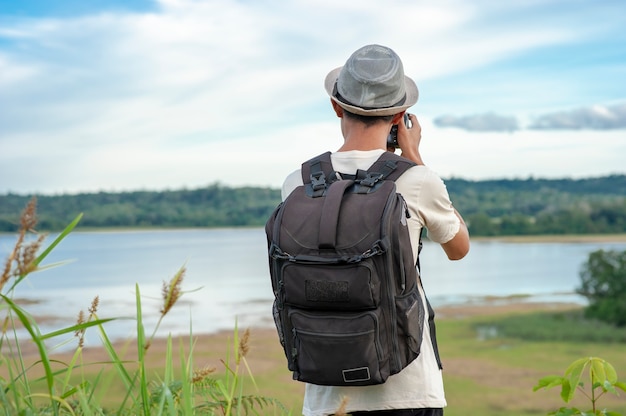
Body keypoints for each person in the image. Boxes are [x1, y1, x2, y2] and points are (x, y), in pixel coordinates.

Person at [280, 44, 470, 416]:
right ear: (400, 114)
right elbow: (458, 247)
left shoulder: (297, 184)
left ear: (336, 106)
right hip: (409, 389)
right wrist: (414, 159)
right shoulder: (417, 181)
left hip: (326, 395)